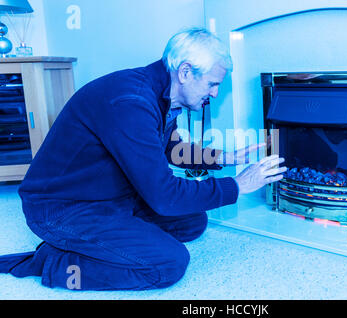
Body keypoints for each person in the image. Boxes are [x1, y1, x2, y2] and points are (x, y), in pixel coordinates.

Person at [0, 28, 286, 291]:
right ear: (185, 72)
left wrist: (223, 157)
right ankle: (52, 263)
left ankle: (113, 236)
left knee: (192, 222)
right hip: (62, 208)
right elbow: (164, 196)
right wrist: (237, 185)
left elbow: (170, 150)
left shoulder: (161, 95)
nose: (215, 93)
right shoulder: (131, 102)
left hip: (109, 197)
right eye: (212, 84)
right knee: (168, 264)